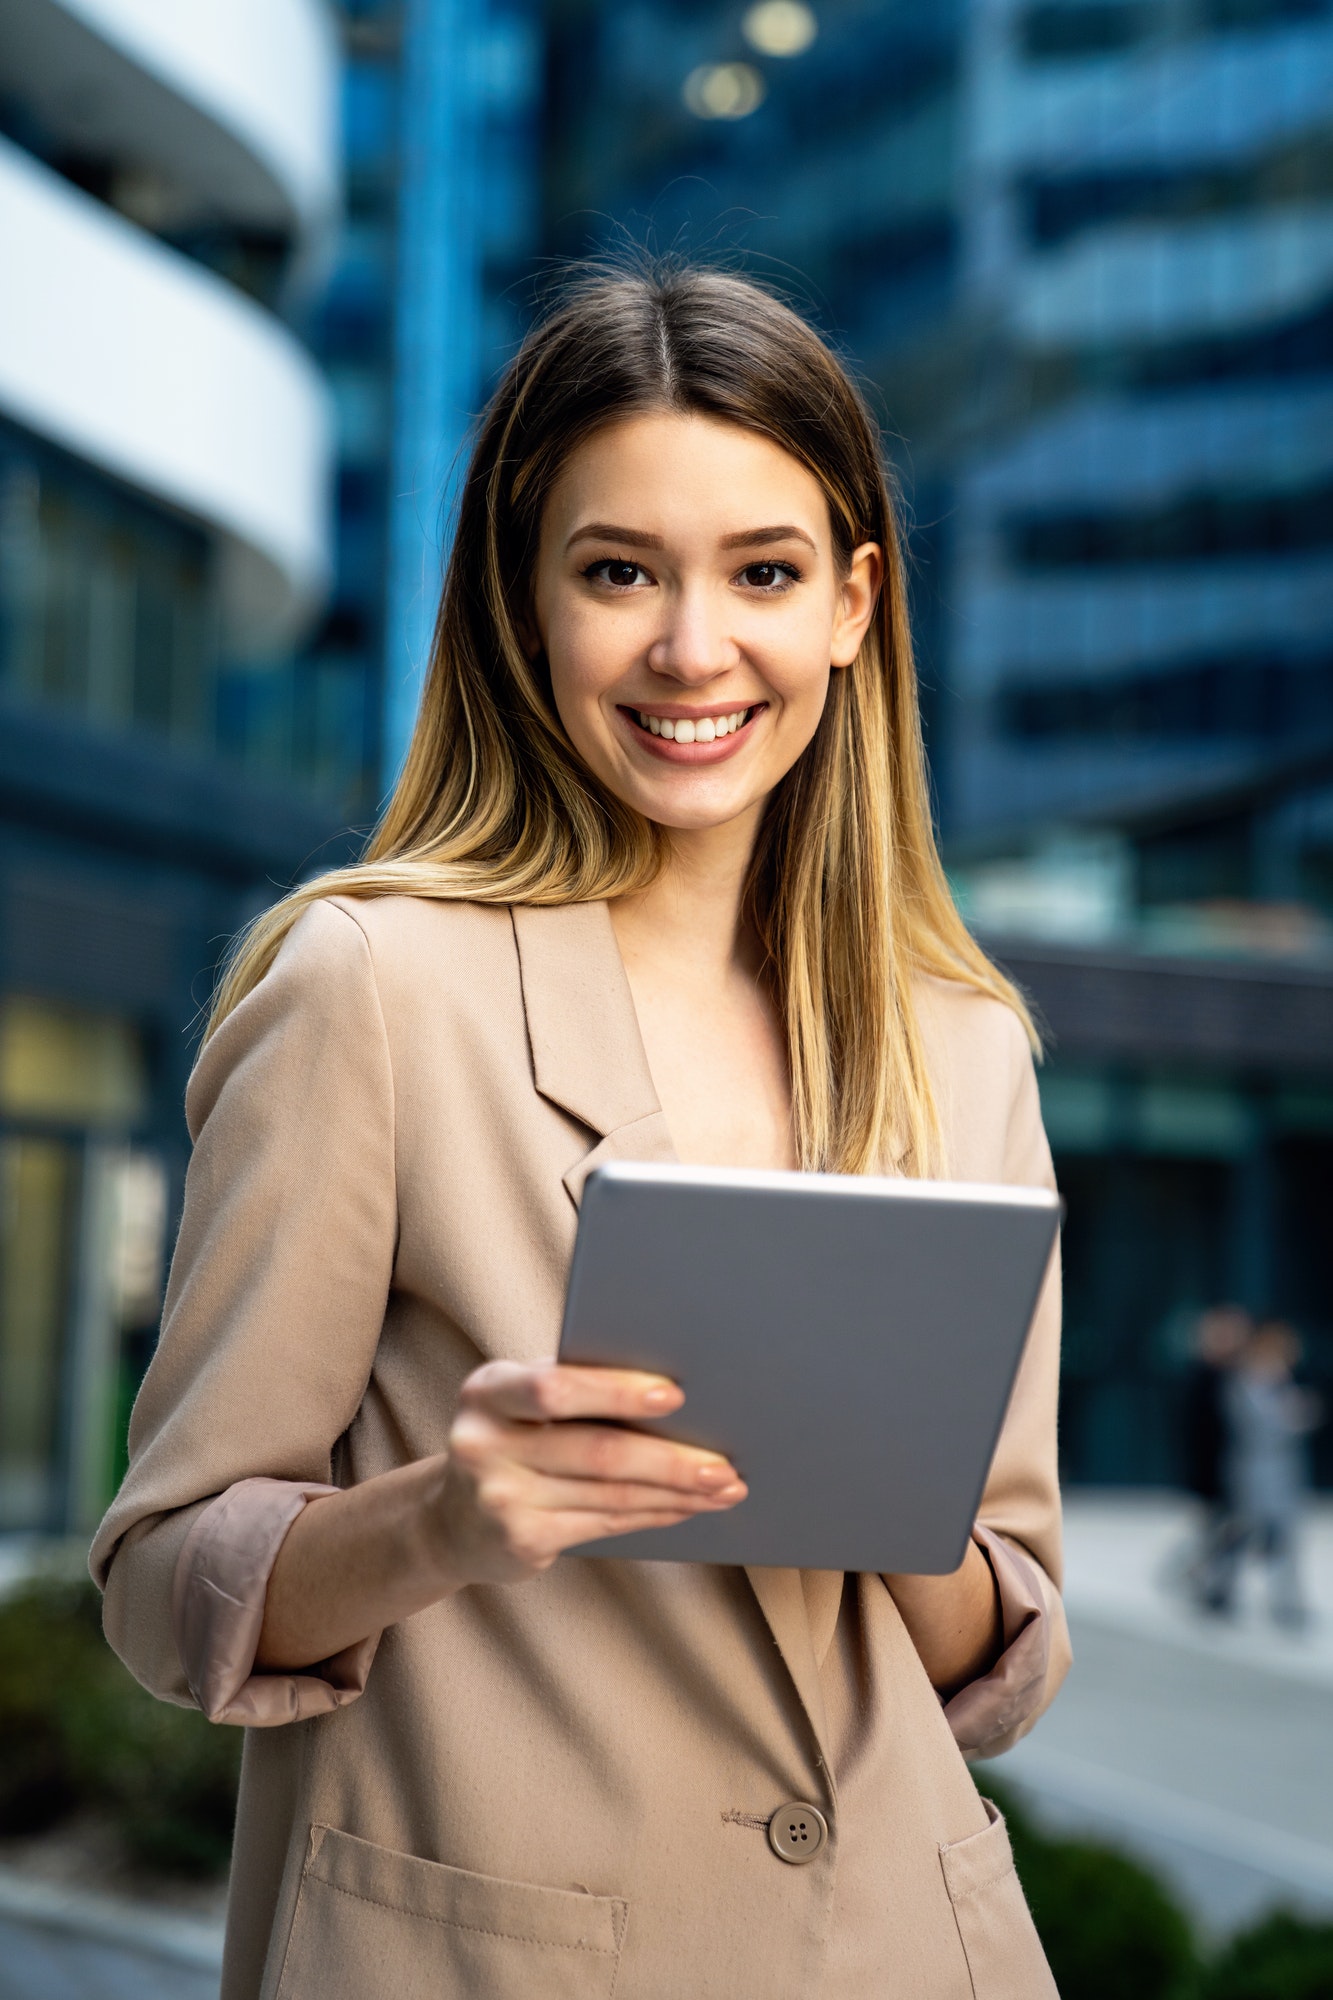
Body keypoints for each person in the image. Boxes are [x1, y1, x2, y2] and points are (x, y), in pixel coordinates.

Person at [90, 264, 1069, 1999]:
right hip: (493, 1956)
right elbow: (162, 1588)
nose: (693, 650)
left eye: (761, 573)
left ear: (852, 603)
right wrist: (442, 1524)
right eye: (618, 571)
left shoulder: (962, 1041)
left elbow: (1008, 1629)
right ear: (521, 599)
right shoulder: (369, 986)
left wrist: (885, 1501)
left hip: (909, 1946)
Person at [1215, 1320, 1321, 1629]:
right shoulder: (1247, 1383)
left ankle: (1286, 1603)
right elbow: (1262, 1427)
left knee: (1279, 1540)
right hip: (1255, 1473)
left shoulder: (1277, 1383)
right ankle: (1215, 1586)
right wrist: (1294, 1417)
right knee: (1245, 1535)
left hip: (1280, 1474)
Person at [1181, 1304, 1250, 1613]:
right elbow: (1195, 1433)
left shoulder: (1238, 1375)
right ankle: (1208, 1585)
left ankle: (1215, 1586)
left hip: (1236, 1470)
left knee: (1229, 1531)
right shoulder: (1201, 1376)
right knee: (1218, 1531)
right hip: (1212, 1471)